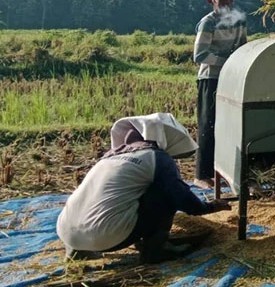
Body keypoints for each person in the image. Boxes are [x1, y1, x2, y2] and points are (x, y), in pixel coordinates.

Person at [56, 113, 231, 263]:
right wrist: (209, 207)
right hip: (107, 235)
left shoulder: (107, 158)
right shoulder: (157, 157)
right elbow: (180, 196)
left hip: (66, 232)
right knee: (164, 192)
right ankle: (155, 250)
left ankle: (76, 251)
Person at [194, 0, 247, 189]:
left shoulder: (239, 20)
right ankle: (201, 175)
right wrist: (228, 61)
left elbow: (242, 47)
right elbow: (200, 55)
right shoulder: (208, 22)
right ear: (211, 1)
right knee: (208, 124)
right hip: (211, 78)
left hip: (231, 78)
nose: (227, 2)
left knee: (229, 124)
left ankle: (224, 170)